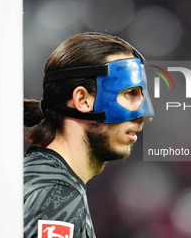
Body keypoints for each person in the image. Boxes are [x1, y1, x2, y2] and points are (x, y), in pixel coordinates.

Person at [23, 32, 154, 238]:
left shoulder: (45, 178)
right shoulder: (57, 195)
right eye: (129, 93)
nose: (144, 115)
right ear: (83, 100)